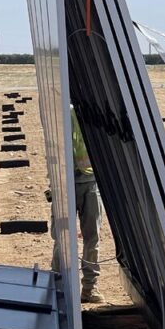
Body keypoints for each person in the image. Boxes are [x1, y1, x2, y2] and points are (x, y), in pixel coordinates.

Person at [71, 111, 104, 304]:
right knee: (63, 239)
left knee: (92, 236)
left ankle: (90, 288)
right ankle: (62, 286)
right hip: (66, 181)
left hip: (90, 180)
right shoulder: (60, 107)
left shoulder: (89, 105)